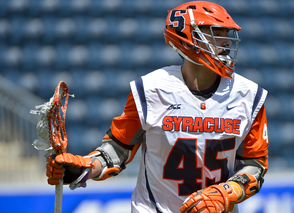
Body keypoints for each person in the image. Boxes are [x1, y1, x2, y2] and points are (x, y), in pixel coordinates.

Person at [46, 1, 269, 213]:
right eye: (216, 33)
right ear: (187, 39)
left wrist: (227, 192)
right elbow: (118, 150)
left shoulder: (248, 95)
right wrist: (85, 168)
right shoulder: (151, 90)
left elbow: (255, 165)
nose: (226, 42)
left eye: (226, 34)